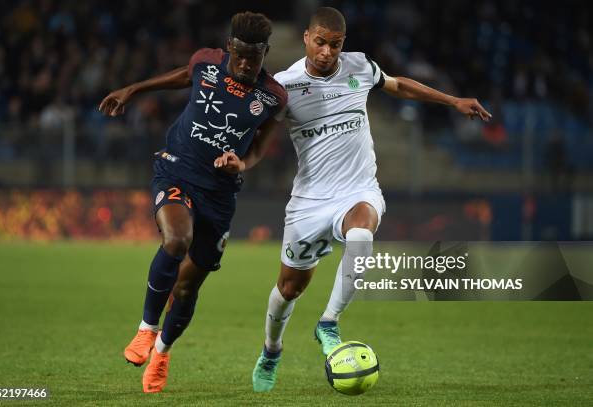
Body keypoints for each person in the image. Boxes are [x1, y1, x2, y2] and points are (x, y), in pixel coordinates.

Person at [251, 7, 491, 392]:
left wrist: (452, 101)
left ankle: (328, 323)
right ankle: (271, 350)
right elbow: (259, 135)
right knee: (288, 289)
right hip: (310, 201)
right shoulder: (285, 85)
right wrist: (237, 158)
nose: (328, 52)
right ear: (306, 39)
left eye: (336, 44)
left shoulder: (359, 66)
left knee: (362, 237)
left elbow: (400, 85)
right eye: (321, 43)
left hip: (358, 191)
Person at [98, 12, 287, 393]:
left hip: (218, 195)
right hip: (176, 171)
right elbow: (180, 76)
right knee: (176, 240)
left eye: (256, 57)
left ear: (266, 52)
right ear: (231, 46)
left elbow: (260, 149)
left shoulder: (273, 96)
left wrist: (241, 163)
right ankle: (146, 330)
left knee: (187, 289)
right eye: (241, 55)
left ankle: (162, 353)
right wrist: (132, 89)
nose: (247, 64)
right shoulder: (206, 62)